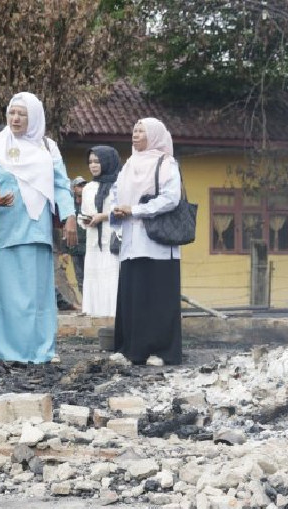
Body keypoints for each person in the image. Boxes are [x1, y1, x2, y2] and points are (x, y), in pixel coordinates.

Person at [0, 92, 76, 363]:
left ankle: (39, 349)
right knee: (3, 295)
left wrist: (69, 216)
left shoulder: (48, 148)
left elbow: (60, 185)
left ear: (34, 117)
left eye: (22, 114)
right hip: (4, 230)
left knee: (35, 296)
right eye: (12, 113)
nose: (16, 118)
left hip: (35, 230)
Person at [111, 118, 182, 366]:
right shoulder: (129, 163)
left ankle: (161, 351)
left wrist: (136, 210)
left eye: (141, 130)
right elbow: (115, 192)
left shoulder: (166, 163)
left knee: (157, 297)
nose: (135, 134)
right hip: (131, 242)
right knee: (133, 295)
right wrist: (117, 209)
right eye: (134, 130)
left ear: (155, 135)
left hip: (157, 243)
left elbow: (172, 198)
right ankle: (131, 349)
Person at [80, 146, 122, 317]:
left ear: (107, 162)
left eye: (97, 161)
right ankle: (95, 315)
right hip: (93, 242)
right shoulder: (88, 187)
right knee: (94, 277)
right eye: (90, 162)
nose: (93, 165)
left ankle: (113, 316)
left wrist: (103, 217)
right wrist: (86, 220)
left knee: (111, 278)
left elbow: (124, 212)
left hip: (111, 240)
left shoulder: (119, 186)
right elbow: (84, 211)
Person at [65, 176, 87, 294]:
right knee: (79, 277)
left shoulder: (89, 203)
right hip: (74, 246)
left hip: (88, 246)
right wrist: (65, 250)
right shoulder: (69, 206)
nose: (82, 188)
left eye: (84, 185)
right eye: (79, 185)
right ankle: (84, 304)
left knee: (90, 276)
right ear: (73, 188)